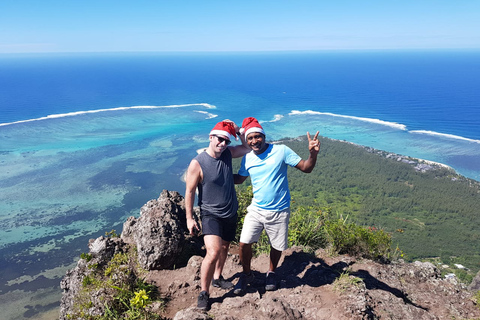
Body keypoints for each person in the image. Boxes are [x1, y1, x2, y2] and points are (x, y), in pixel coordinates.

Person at [233, 117, 320, 295]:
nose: (254, 141)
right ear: (247, 140)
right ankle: (247, 274)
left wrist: (313, 154)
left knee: (276, 246)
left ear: (264, 136)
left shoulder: (281, 151)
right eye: (250, 138)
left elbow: (306, 168)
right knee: (243, 244)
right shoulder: (248, 158)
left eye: (257, 137)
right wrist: (215, 173)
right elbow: (240, 179)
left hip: (279, 209)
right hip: (256, 209)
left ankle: (271, 272)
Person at [185, 120, 249, 310]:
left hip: (230, 211)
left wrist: (237, 130)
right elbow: (189, 191)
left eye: (226, 141)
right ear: (211, 137)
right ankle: (204, 293)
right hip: (210, 215)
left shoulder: (228, 153)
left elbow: (247, 147)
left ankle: (217, 278)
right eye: (220, 139)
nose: (222, 143)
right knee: (212, 252)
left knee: (225, 247)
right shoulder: (198, 163)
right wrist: (189, 218)